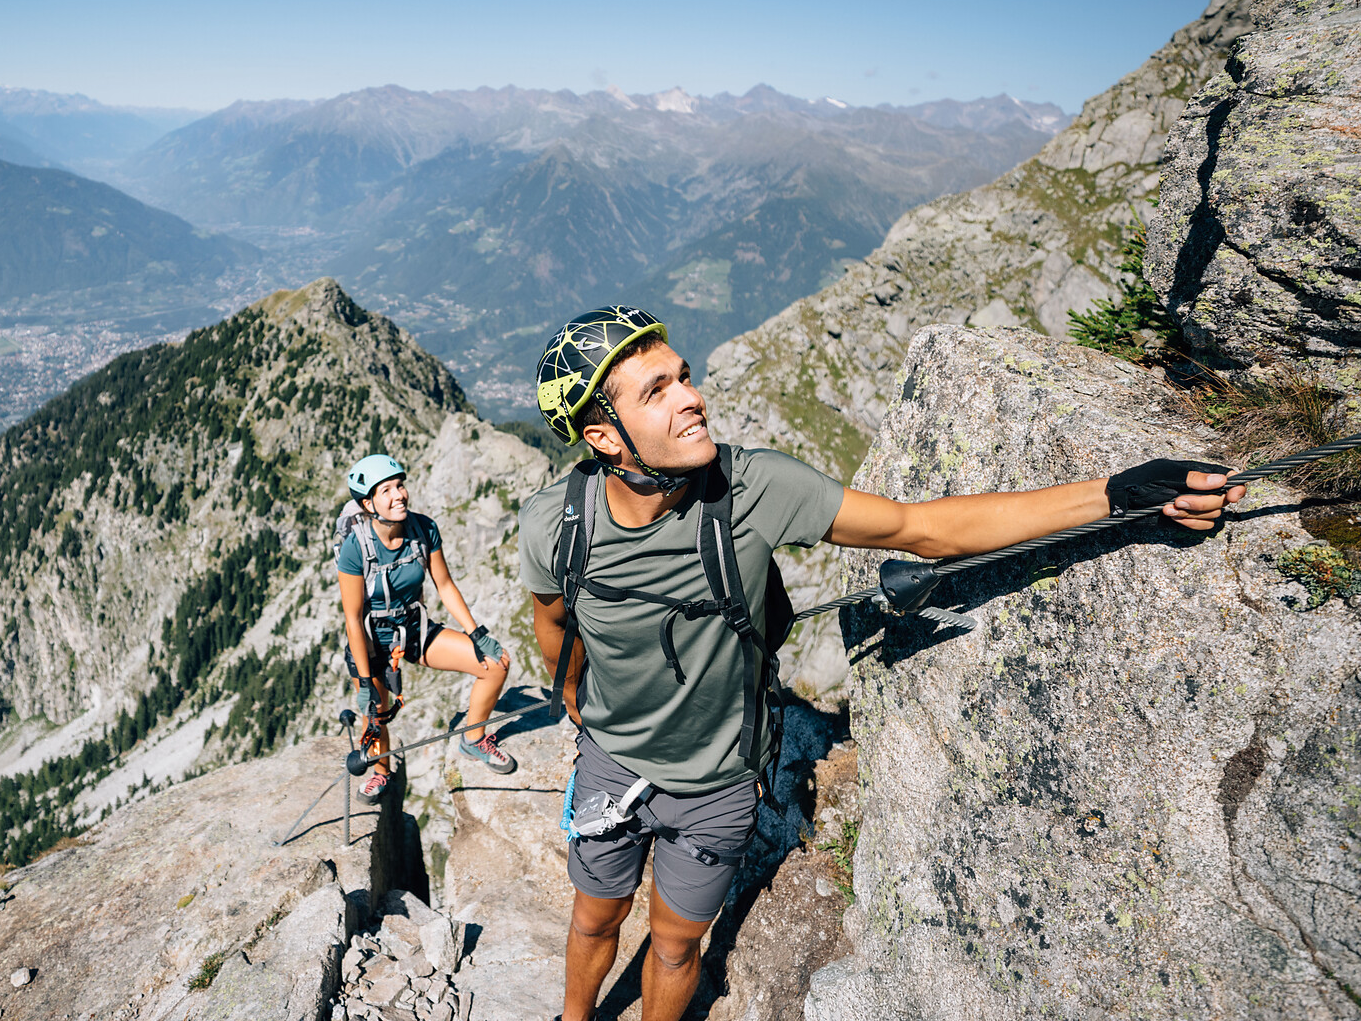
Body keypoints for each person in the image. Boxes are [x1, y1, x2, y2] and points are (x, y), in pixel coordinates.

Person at [518, 307, 1246, 1021]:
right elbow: (555, 624)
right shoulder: (556, 522)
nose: (692, 396)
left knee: (676, 949)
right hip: (613, 768)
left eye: (682, 376)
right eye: (658, 392)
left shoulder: (754, 490)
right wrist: (579, 699)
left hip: (716, 782)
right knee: (593, 921)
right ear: (603, 437)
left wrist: (1118, 493)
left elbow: (923, 528)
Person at [341, 453, 520, 805]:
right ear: (368, 503)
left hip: (413, 631)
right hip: (374, 640)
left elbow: (445, 585)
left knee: (496, 666)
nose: (399, 495)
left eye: (400, 486)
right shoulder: (355, 548)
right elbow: (352, 618)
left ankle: (473, 739)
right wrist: (365, 681)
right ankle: (381, 773)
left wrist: (477, 634)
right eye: (387, 490)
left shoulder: (423, 529)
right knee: (375, 712)